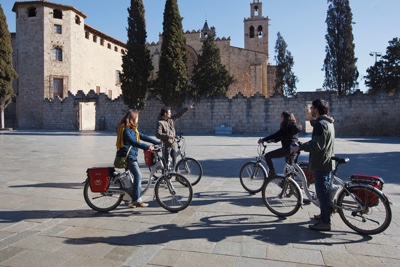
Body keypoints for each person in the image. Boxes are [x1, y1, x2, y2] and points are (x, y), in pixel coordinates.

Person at [291, 99, 335, 231]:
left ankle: (325, 222)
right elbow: (319, 141)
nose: (310, 111)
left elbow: (317, 145)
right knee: (324, 192)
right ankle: (324, 214)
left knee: (322, 194)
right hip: (327, 161)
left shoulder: (320, 125)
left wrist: (300, 148)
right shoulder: (329, 122)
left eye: (311, 108)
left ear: (316, 109)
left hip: (321, 163)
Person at [116, 110, 159, 208]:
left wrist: (156, 142)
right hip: (127, 156)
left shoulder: (132, 129)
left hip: (132, 155)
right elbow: (132, 142)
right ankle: (136, 200)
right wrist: (146, 147)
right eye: (137, 117)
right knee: (138, 175)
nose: (138, 119)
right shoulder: (126, 130)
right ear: (132, 118)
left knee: (132, 177)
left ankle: (130, 199)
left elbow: (142, 136)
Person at [258, 111, 302, 177]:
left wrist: (263, 139)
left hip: (288, 148)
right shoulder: (293, 126)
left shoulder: (286, 126)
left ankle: (272, 174)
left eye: (281, 116)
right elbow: (283, 136)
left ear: (286, 118)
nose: (280, 118)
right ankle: (291, 185)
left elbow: (277, 134)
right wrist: (272, 140)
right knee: (289, 169)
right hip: (294, 148)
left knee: (267, 156)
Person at [156, 103, 195, 169]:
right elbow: (158, 134)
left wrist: (187, 108)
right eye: (169, 112)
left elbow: (178, 114)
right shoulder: (160, 123)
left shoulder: (170, 120)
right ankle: (165, 175)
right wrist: (168, 136)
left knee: (174, 157)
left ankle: (175, 172)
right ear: (165, 114)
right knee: (166, 162)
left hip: (172, 143)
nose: (170, 113)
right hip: (166, 145)